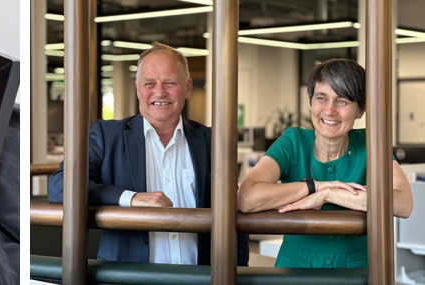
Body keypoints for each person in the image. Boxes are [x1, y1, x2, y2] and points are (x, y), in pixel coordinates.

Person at [47, 41, 249, 266]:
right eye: (149, 83)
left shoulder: (213, 141)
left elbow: (235, 215)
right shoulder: (106, 136)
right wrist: (130, 199)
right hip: (128, 279)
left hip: (201, 278)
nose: (159, 92)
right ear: (137, 88)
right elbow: (59, 186)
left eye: (170, 82)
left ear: (188, 87)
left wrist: (238, 272)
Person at [237, 58, 413, 268]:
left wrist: (328, 194)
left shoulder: (372, 144)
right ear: (310, 100)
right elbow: (247, 198)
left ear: (360, 109)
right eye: (322, 98)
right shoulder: (293, 142)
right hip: (295, 267)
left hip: (360, 269)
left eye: (342, 101)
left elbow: (403, 204)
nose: (329, 111)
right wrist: (314, 186)